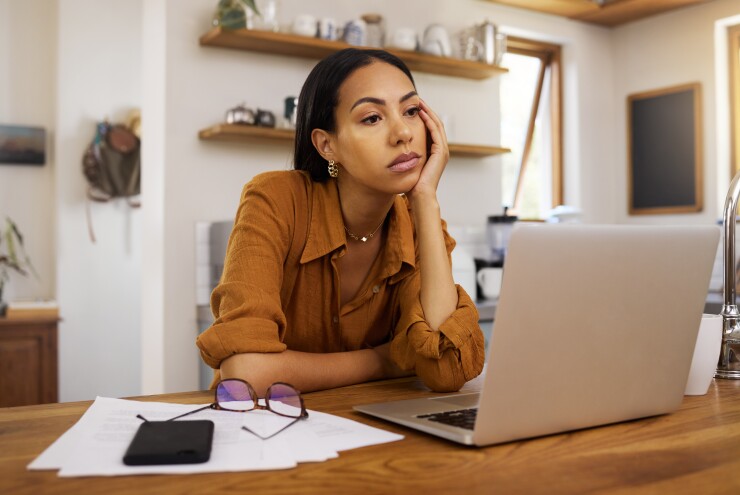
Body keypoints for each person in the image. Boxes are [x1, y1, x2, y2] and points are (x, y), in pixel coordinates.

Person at [196, 48, 485, 395]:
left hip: (376, 434)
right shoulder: (275, 198)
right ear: (327, 145)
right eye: (372, 118)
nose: (403, 133)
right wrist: (388, 360)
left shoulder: (419, 220)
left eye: (410, 111)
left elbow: (446, 371)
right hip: (265, 432)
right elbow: (245, 373)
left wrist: (425, 198)